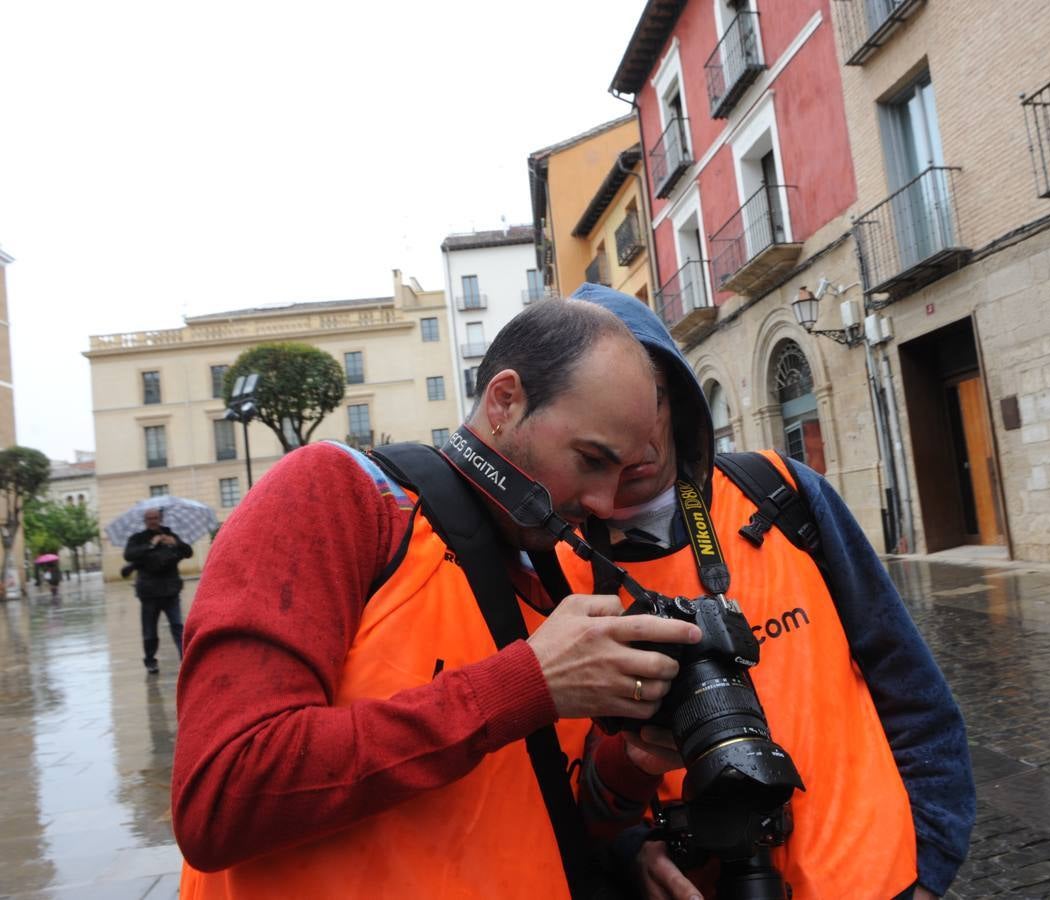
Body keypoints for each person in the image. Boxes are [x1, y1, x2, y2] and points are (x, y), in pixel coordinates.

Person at [171, 300, 703, 899]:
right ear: (505, 402)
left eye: (624, 471)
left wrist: (633, 762)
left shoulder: (556, 570)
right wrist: (526, 684)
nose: (605, 504)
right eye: (591, 460)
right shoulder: (336, 494)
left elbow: (552, 813)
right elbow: (218, 796)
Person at [555, 285, 975, 900]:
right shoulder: (555, 568)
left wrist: (929, 864)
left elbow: (910, 685)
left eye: (652, 400)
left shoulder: (781, 493)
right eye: (603, 424)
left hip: (876, 879)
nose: (636, 438)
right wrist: (628, 852)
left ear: (678, 398)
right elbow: (565, 787)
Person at [123, 508, 193, 674]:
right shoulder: (138, 538)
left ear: (160, 518)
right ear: (145, 520)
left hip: (171, 590)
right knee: (150, 630)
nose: (153, 521)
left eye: (155, 518)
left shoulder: (170, 535)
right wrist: (150, 545)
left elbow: (188, 552)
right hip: (149, 592)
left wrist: (175, 543)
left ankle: (185, 659)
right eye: (149, 518)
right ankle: (150, 661)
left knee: (178, 626)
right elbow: (129, 555)